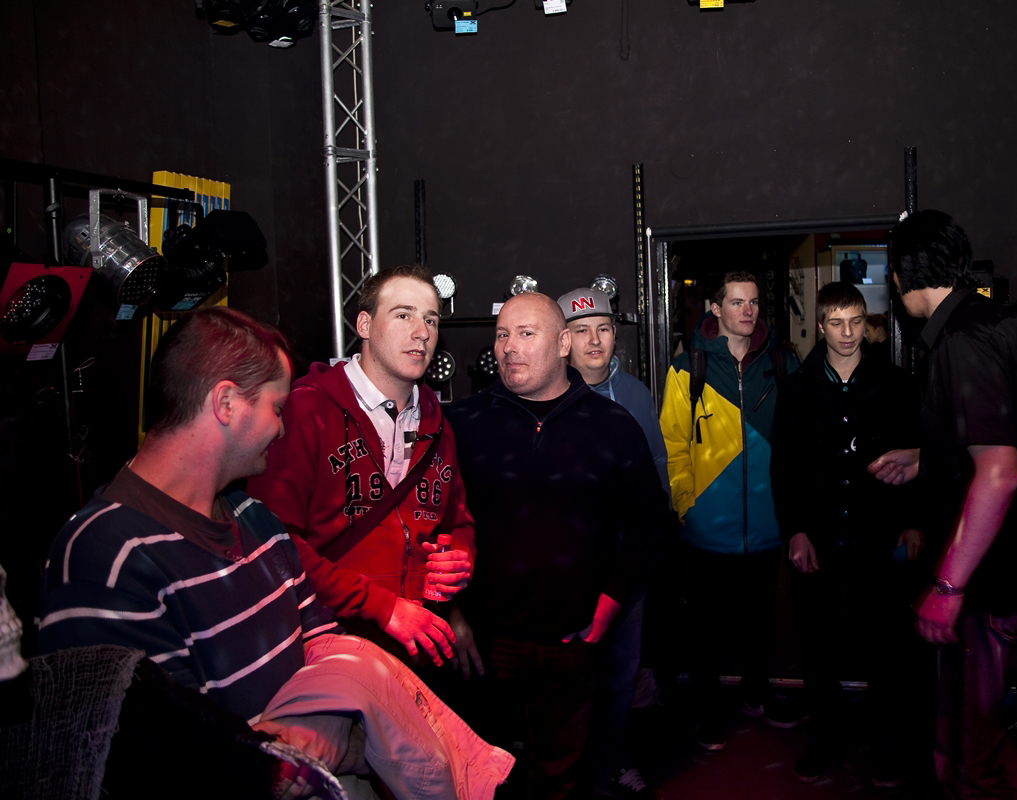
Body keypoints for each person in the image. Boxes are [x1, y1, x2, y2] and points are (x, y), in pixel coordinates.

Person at [37, 306, 513, 800]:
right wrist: (329, 746)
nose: (282, 429)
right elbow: (167, 761)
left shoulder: (255, 521)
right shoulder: (105, 556)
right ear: (226, 403)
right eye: (277, 408)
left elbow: (328, 645)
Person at [869, 210, 1017, 798]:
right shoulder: (1001, 323)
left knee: (970, 759)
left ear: (902, 274)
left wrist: (948, 587)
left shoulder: (959, 340)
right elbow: (1006, 438)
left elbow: (1000, 475)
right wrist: (927, 458)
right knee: (972, 744)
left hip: (990, 580)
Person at [446, 292, 670, 800]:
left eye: (526, 334)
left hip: (573, 641)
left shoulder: (612, 426)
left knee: (562, 778)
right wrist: (452, 612)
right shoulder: (463, 423)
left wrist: (610, 604)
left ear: (563, 343)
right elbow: (434, 522)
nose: (509, 347)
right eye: (502, 335)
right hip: (485, 644)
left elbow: (650, 523)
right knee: (480, 775)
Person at [247, 264, 475, 670]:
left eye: (431, 320)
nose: (421, 332)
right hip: (330, 641)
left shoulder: (437, 420)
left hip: (420, 640)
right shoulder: (307, 408)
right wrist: (382, 608)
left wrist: (459, 557)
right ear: (365, 325)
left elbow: (457, 521)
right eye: (403, 315)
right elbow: (275, 542)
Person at [771, 281, 925, 788]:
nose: (846, 332)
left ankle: (885, 743)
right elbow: (784, 467)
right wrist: (795, 530)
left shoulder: (895, 383)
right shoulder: (797, 387)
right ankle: (823, 737)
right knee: (819, 646)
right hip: (817, 534)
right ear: (820, 326)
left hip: (876, 534)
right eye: (836, 323)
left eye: (855, 322)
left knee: (885, 645)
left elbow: (915, 456)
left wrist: (912, 522)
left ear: (867, 323)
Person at [658, 271, 800, 749]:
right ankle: (706, 709)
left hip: (767, 523)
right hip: (707, 526)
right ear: (716, 308)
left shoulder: (782, 362)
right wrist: (687, 506)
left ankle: (757, 695)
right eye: (737, 302)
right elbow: (673, 444)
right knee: (706, 629)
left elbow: (800, 441)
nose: (748, 311)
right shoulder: (688, 367)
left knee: (761, 621)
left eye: (754, 302)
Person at [557, 287, 670, 798]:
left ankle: (612, 760)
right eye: (581, 330)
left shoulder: (638, 395)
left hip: (628, 565)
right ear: (564, 340)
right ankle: (570, 768)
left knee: (622, 670)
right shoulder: (547, 394)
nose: (594, 340)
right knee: (570, 675)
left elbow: (659, 471)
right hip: (570, 568)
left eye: (603, 329)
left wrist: (653, 542)